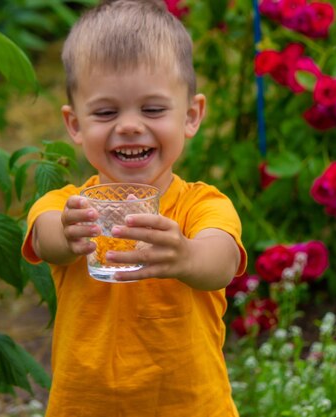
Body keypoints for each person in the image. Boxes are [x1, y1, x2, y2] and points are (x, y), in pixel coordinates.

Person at [21, 1, 247, 415]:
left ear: (191, 115)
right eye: (106, 112)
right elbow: (45, 235)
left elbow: (222, 261)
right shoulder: (68, 205)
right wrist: (68, 234)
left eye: (153, 109)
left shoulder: (202, 204)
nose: (128, 125)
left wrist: (187, 254)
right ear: (75, 125)